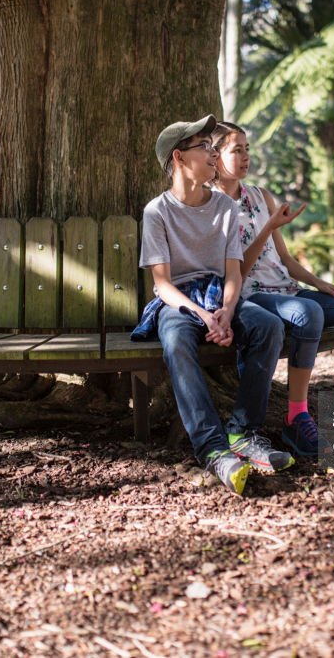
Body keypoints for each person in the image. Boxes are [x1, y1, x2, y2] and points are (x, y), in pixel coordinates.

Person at [135, 114, 293, 496]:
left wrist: (225, 309)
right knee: (176, 341)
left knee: (267, 325)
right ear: (179, 158)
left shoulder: (224, 207)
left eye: (211, 146)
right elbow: (161, 284)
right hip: (180, 303)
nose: (211, 154)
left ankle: (243, 432)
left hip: (221, 295)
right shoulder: (157, 212)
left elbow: (233, 272)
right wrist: (202, 315)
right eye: (203, 148)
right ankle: (212, 447)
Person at [210, 120, 334, 456]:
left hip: (288, 289)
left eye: (247, 149)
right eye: (237, 150)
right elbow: (237, 271)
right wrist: (268, 228)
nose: (246, 157)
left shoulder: (261, 196)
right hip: (251, 296)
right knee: (308, 313)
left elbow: (285, 258)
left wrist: (319, 283)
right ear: (215, 158)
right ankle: (296, 417)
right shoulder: (212, 207)